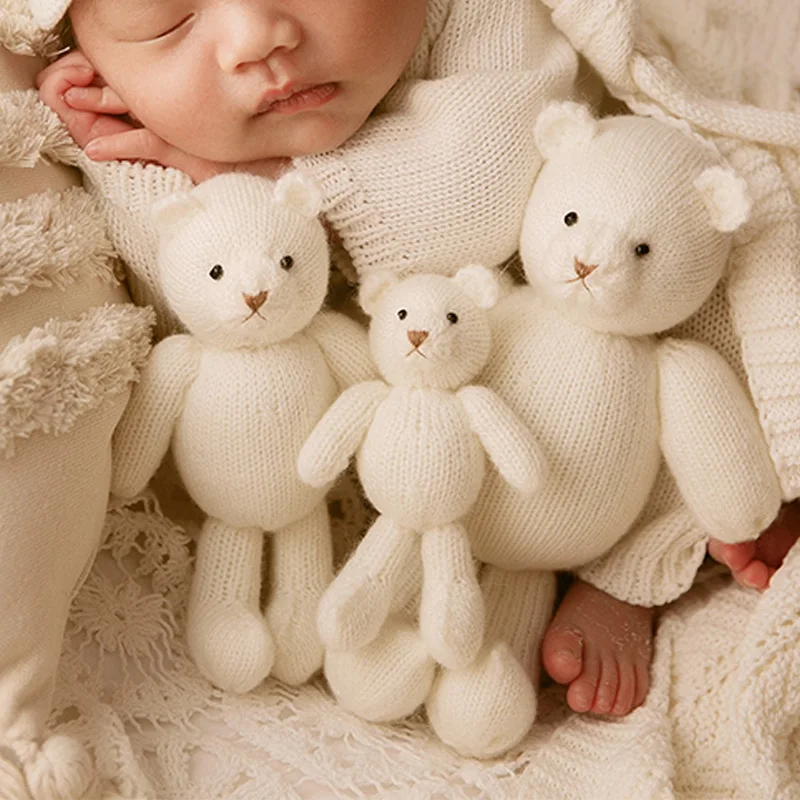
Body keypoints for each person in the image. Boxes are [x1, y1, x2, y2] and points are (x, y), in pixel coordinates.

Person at [32, 0, 793, 725]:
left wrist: (262, 185)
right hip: (393, 422)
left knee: (701, 310)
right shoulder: (139, 124)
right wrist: (125, 152)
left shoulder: (480, 18)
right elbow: (183, 300)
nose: (255, 38)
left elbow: (486, 183)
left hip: (559, 299)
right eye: (168, 23)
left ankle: (636, 560)